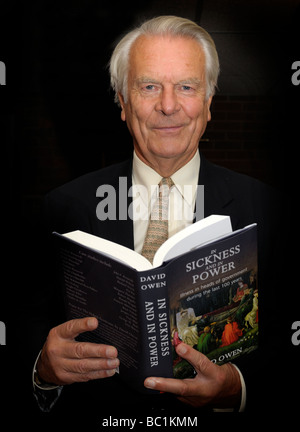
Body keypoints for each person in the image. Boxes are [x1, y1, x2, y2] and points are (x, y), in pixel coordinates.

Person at [30, 16, 277, 419]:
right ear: (123, 104)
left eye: (186, 86)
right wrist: (43, 366)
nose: (167, 105)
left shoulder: (270, 209)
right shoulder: (62, 207)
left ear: (209, 103)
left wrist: (237, 388)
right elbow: (25, 319)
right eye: (148, 87)